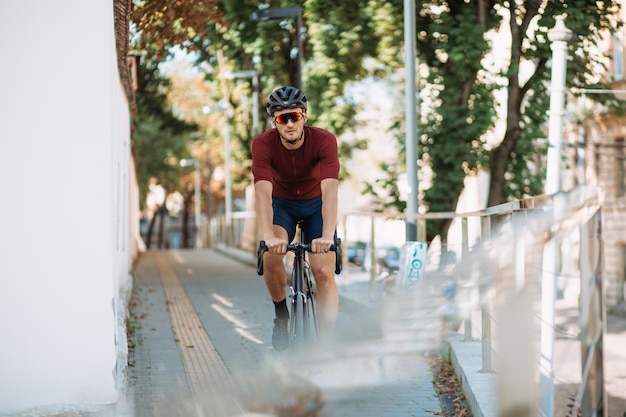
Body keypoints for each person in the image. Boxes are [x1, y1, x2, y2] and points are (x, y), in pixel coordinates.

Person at [251, 86, 340, 351]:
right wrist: (267, 236)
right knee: (271, 254)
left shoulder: (324, 140)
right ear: (274, 122)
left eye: (295, 116)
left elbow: (330, 189)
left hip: (316, 206)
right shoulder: (262, 145)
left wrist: (327, 235)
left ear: (304, 116)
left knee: (324, 271)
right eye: (282, 118)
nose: (289, 123)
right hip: (283, 206)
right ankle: (281, 313)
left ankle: (325, 343)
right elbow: (263, 192)